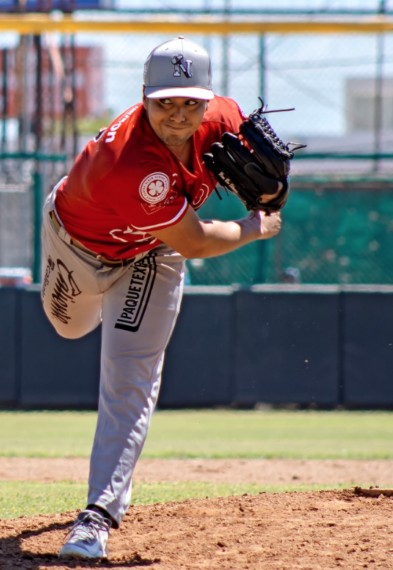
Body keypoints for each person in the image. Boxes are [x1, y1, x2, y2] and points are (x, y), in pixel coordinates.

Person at [39, 37, 285, 560]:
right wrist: (252, 226)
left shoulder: (225, 120)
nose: (177, 114)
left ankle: (97, 516)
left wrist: (271, 193)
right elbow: (197, 241)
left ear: (208, 99)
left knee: (130, 376)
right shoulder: (124, 161)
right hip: (79, 246)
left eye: (190, 102)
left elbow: (249, 187)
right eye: (165, 101)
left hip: (152, 253)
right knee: (67, 327)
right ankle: (99, 509)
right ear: (144, 96)